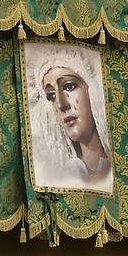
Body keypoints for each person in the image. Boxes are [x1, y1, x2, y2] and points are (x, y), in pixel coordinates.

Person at [36, 49, 112, 187]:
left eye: (69, 86)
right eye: (51, 96)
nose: (60, 104)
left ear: (93, 91)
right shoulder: (61, 178)